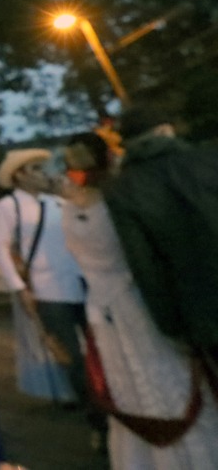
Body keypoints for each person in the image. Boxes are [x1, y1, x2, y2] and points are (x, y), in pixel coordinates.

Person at [62, 130, 218, 467]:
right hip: (137, 301)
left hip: (101, 309)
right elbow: (143, 257)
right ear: (110, 158)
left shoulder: (69, 210)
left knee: (128, 388)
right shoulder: (118, 200)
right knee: (172, 381)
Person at [104, 108, 218, 384]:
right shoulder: (208, 159)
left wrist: (170, 325)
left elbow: (145, 265)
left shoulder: (123, 190)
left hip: (202, 309)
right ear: (165, 130)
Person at [0, 148, 87, 411]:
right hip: (47, 290)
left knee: (98, 351)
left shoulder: (57, 201)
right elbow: (1, 249)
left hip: (81, 283)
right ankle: (96, 417)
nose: (43, 174)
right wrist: (19, 288)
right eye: (35, 170)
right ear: (19, 176)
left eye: (43, 168)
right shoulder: (9, 206)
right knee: (70, 355)